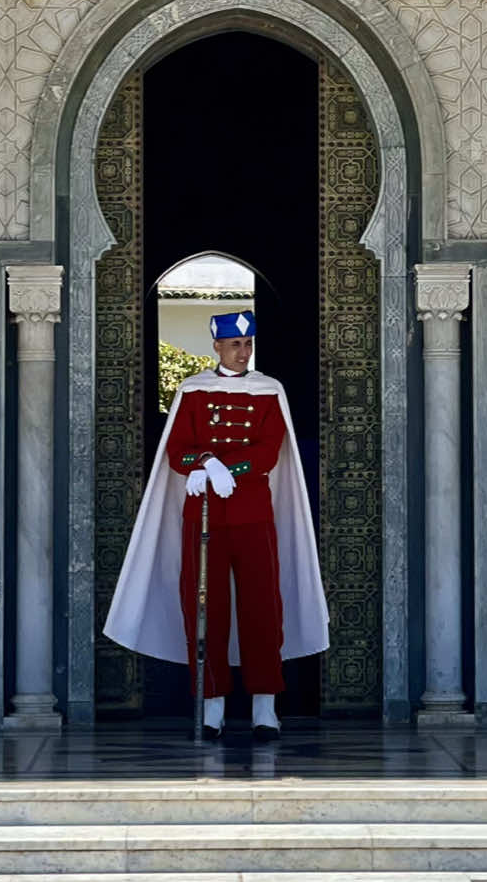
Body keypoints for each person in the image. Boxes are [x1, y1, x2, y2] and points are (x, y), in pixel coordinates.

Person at [104, 308, 328, 739]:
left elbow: (268, 450)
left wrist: (228, 469)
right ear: (217, 347)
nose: (243, 353)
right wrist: (203, 463)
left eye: (248, 344)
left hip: (252, 511)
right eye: (235, 345)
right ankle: (212, 704)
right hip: (203, 512)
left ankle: (266, 705)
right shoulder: (193, 390)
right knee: (205, 606)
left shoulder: (269, 390)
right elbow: (178, 450)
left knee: (262, 607)